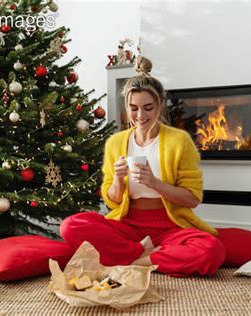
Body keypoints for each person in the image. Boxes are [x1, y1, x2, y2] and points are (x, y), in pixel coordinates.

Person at [60, 56, 225, 277]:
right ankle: (144, 254)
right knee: (71, 225)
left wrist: (155, 183)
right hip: (128, 225)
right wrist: (118, 180)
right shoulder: (116, 143)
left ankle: (137, 260)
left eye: (148, 108)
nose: (140, 116)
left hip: (170, 225)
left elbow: (192, 199)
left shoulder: (179, 141)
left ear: (159, 106)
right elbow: (112, 201)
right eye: (133, 108)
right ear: (126, 108)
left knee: (211, 251)